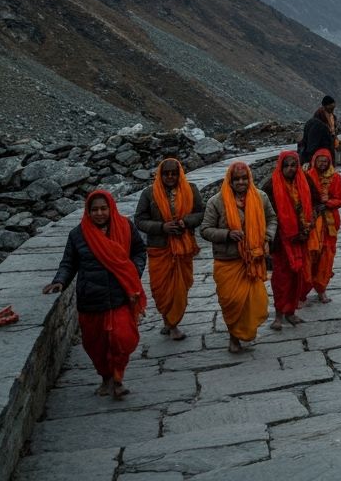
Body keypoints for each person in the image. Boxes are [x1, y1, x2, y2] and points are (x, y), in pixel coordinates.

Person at [43, 190, 147, 399]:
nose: (99, 213)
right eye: (95, 210)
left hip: (120, 295)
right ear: (88, 211)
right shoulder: (78, 235)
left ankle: (118, 379)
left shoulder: (125, 227)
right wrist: (59, 281)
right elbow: (68, 263)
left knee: (122, 338)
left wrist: (133, 271)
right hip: (91, 299)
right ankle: (106, 377)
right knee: (96, 345)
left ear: (111, 208)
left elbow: (139, 251)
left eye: (103, 208)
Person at [200, 161, 277, 353]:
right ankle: (233, 338)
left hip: (253, 259)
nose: (241, 182)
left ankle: (245, 331)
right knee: (232, 302)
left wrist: (267, 236)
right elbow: (205, 229)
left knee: (255, 302)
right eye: (237, 179)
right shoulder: (216, 202)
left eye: (244, 178)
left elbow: (272, 219)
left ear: (249, 178)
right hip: (228, 261)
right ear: (230, 180)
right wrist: (227, 234)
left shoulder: (261, 197)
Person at [134, 157, 204, 340]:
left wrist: (185, 222)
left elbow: (201, 213)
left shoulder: (191, 189)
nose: (170, 177)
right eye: (166, 174)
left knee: (180, 287)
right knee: (161, 289)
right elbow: (139, 220)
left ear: (180, 174)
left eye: (174, 173)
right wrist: (161, 227)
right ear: (160, 174)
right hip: (159, 248)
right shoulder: (149, 193)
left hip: (183, 247)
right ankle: (169, 320)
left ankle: (172, 324)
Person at [267, 150, 313, 329]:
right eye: (286, 166)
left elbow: (315, 202)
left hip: (300, 239)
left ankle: (291, 312)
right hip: (281, 240)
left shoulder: (304, 181)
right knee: (281, 279)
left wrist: (307, 224)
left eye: (293, 165)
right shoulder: (270, 185)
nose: (290, 169)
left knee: (297, 277)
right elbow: (266, 214)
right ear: (280, 166)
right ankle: (279, 314)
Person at [305, 150, 341, 303]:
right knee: (311, 255)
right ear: (314, 161)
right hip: (313, 222)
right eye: (320, 161)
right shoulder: (307, 176)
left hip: (330, 226)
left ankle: (321, 289)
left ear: (329, 162)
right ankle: (304, 290)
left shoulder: (335, 177)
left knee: (326, 257)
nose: (322, 164)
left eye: (325, 161)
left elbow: (340, 200)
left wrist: (327, 203)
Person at [300, 95, 338, 166]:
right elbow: (313, 138)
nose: (333, 108)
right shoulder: (318, 118)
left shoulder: (332, 116)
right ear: (325, 106)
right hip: (320, 149)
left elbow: (333, 129)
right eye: (331, 106)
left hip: (329, 146)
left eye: (333, 106)